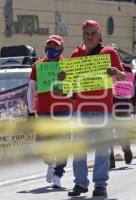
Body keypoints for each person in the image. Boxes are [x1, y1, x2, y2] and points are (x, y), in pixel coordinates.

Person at [66, 20, 125, 198]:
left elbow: (124, 78)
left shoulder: (109, 53)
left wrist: (117, 73)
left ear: (99, 35)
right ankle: (80, 183)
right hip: (80, 110)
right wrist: (62, 77)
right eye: (86, 34)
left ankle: (100, 185)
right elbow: (67, 85)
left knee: (101, 150)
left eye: (93, 33)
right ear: (82, 35)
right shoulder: (76, 54)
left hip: (103, 109)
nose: (90, 37)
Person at [27, 35, 71, 188]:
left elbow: (74, 91)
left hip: (63, 110)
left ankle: (59, 173)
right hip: (44, 110)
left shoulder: (68, 65)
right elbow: (31, 88)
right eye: (49, 46)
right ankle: (50, 162)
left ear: (61, 48)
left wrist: (65, 86)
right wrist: (31, 111)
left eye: (55, 46)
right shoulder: (38, 65)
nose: (52, 49)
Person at [106, 43, 134, 168]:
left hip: (122, 104)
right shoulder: (101, 70)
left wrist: (134, 103)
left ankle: (126, 148)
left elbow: (133, 88)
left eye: (115, 53)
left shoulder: (126, 69)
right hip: (106, 104)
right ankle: (110, 156)